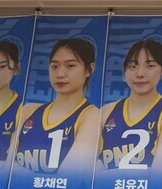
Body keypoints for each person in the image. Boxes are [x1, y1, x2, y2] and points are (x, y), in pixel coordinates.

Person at [13, 38, 100, 173]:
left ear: (89, 69)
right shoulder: (28, 111)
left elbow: (70, 178)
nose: (60, 74)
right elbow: (5, 169)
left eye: (70, 66)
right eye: (54, 66)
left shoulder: (92, 116)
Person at [98, 39, 162, 173]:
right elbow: (88, 166)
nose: (140, 74)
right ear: (124, 72)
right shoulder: (106, 112)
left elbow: (160, 174)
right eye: (133, 66)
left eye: (150, 66)